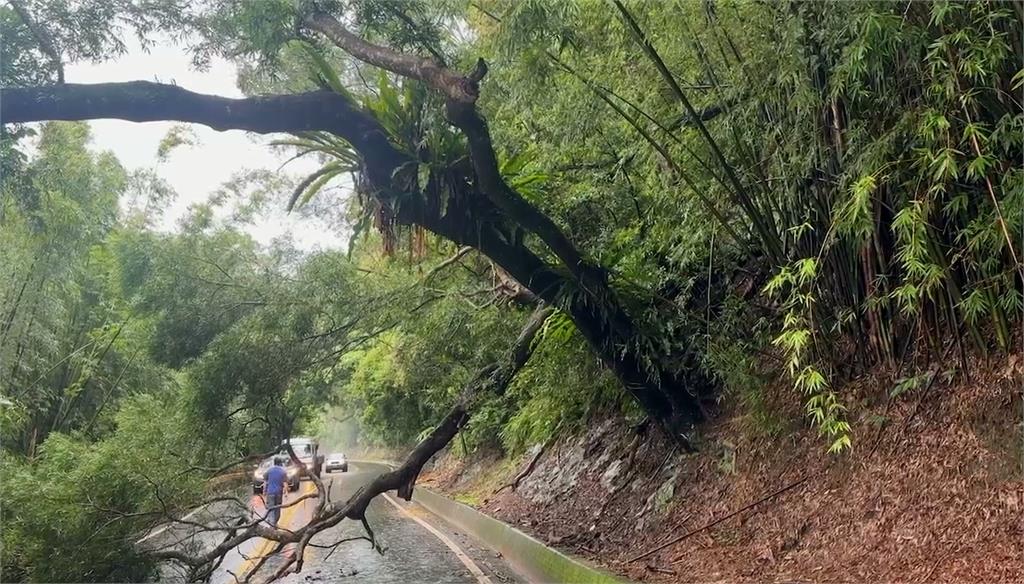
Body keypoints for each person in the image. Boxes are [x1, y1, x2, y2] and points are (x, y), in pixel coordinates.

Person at [263, 456, 288, 527]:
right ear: (280, 463)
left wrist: (264, 491)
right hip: (278, 493)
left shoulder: (269, 471)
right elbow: (285, 484)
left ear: (274, 463)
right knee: (277, 508)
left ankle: (272, 523)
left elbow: (265, 482)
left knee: (271, 509)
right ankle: (274, 523)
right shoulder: (283, 472)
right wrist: (285, 492)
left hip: (270, 492)